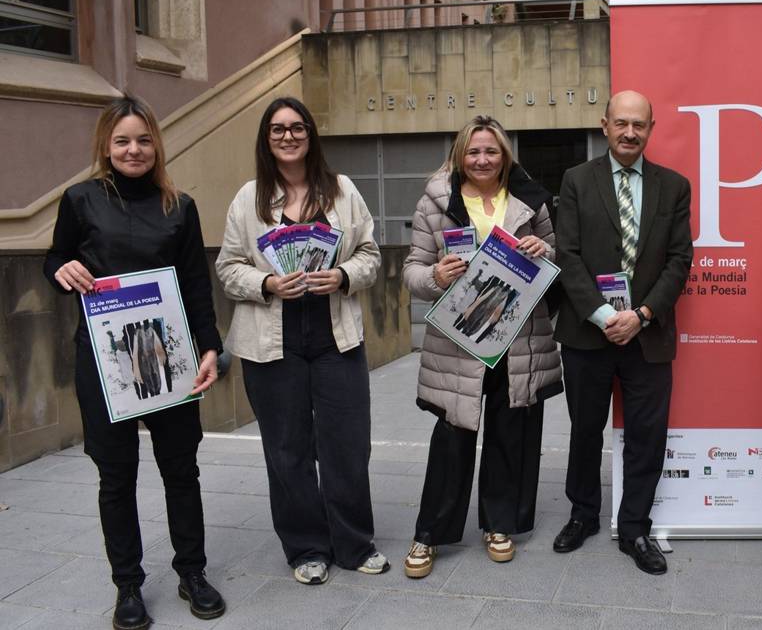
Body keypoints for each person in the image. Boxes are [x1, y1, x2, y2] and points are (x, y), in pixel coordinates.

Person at [43, 94, 226, 630]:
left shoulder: (180, 206)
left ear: (157, 145)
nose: (134, 149)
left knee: (181, 469)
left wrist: (209, 347)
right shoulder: (80, 200)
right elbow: (55, 258)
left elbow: (196, 283)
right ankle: (128, 586)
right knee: (116, 476)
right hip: (104, 363)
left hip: (170, 358)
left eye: (144, 139)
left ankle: (193, 572)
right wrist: (62, 271)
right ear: (105, 145)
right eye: (122, 140)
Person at [215, 96, 386, 586]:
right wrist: (267, 285)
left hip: (336, 337)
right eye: (277, 129)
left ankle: (354, 542)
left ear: (311, 135)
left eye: (297, 128)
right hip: (272, 344)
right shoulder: (248, 199)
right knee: (287, 449)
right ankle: (306, 547)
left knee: (347, 446)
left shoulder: (343, 191)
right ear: (266, 139)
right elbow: (228, 268)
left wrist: (344, 275)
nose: (288, 136)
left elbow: (371, 254)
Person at [400, 116, 561, 578]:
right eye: (473, 152)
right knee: (452, 439)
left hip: (518, 337)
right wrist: (435, 277)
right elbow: (413, 267)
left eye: (491, 151)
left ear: (504, 155)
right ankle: (429, 534)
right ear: (459, 156)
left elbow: (556, 254)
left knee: (511, 436)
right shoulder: (437, 200)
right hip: (459, 341)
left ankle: (498, 524)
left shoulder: (530, 199)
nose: (483, 160)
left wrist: (542, 251)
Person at [551, 90, 693, 576]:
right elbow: (566, 255)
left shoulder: (673, 187)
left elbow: (680, 260)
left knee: (647, 437)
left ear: (651, 129)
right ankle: (583, 514)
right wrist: (602, 315)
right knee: (585, 429)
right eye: (621, 123)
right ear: (605, 125)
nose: (630, 132)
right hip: (587, 333)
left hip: (648, 334)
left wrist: (643, 313)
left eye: (640, 124)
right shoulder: (575, 180)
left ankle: (635, 528)